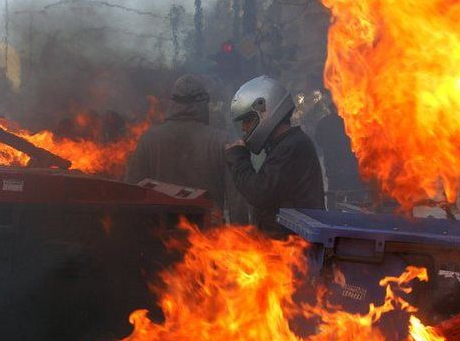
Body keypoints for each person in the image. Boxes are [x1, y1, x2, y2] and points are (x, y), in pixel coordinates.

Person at [125, 74, 249, 224]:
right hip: (207, 239)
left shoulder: (149, 139)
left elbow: (130, 192)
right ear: (202, 104)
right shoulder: (222, 141)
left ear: (173, 103)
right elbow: (236, 201)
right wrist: (242, 238)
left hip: (159, 235)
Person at [225, 76, 325, 238]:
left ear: (264, 111)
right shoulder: (285, 145)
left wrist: (239, 158)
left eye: (248, 120)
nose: (244, 128)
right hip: (288, 243)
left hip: (294, 246)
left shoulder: (291, 147)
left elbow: (260, 193)